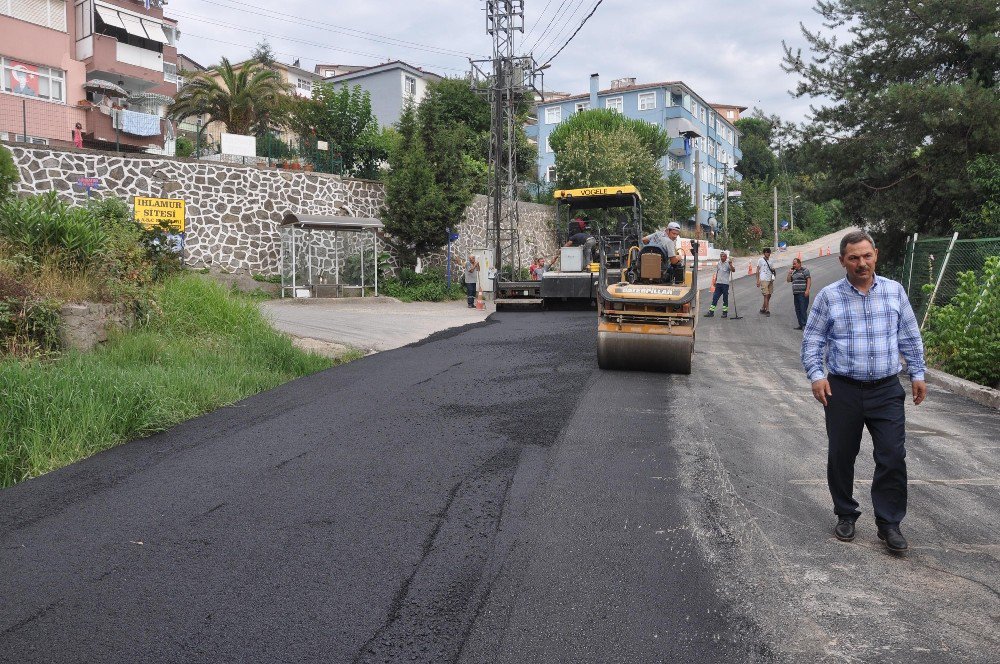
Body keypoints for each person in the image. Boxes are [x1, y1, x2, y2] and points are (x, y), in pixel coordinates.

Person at [801, 230, 927, 553]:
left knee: (892, 454)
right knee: (841, 454)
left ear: (876, 256)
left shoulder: (894, 292)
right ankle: (845, 513)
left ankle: (889, 524)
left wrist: (918, 373)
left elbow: (910, 336)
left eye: (866, 256)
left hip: (886, 390)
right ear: (842, 261)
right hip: (842, 389)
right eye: (854, 258)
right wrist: (817, 375)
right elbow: (812, 340)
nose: (861, 263)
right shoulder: (829, 297)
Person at [704, 250, 734, 317]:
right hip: (718, 284)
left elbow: (733, 270)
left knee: (725, 299)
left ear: (726, 257)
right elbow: (717, 272)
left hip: (725, 284)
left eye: (723, 256)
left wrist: (731, 265)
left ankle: (725, 312)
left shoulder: (728, 263)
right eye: (721, 256)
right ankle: (711, 312)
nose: (722, 257)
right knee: (715, 298)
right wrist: (715, 280)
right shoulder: (719, 263)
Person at [786, 257, 812, 329]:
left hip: (803, 293)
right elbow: (788, 280)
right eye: (793, 264)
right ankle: (801, 324)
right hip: (796, 293)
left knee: (803, 308)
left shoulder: (805, 270)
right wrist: (789, 273)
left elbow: (809, 280)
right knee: (797, 309)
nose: (793, 265)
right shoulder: (794, 272)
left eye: (795, 263)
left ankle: (804, 325)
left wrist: (807, 290)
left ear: (799, 263)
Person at [756, 247, 776, 316]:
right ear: (764, 253)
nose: (768, 253)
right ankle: (767, 310)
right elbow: (757, 270)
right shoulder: (760, 260)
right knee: (766, 295)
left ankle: (762, 308)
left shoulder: (771, 260)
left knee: (769, 295)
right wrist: (758, 280)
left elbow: (773, 270)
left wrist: (774, 275)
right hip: (763, 279)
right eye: (766, 252)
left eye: (769, 252)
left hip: (770, 279)